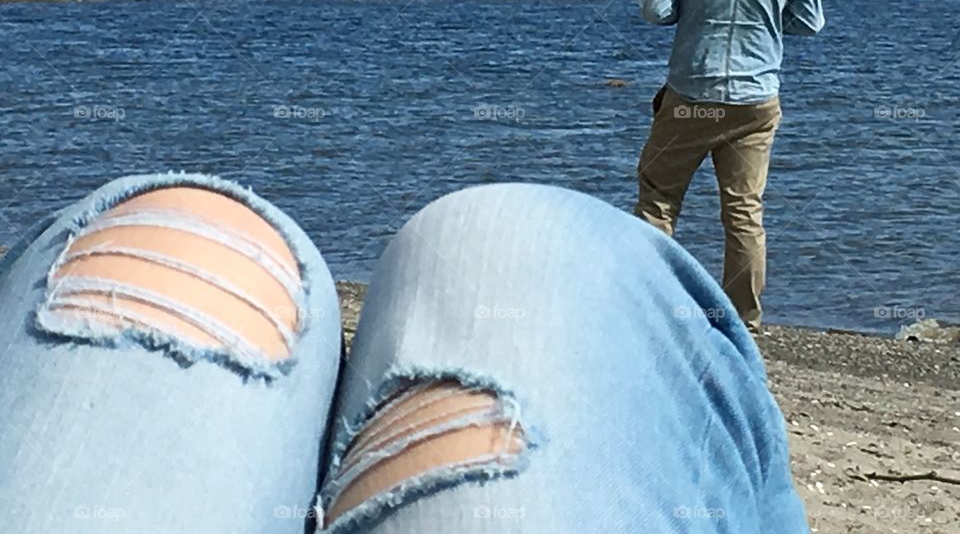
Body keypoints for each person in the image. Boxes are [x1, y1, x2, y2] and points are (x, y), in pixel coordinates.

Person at [0, 174, 809, 533]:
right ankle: (731, 303)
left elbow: (658, 3)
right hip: (755, 93)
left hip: (697, 91)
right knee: (507, 238)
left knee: (180, 234)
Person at [635, 0, 825, 333]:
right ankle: (745, 319)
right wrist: (762, 20)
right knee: (744, 211)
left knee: (658, 201)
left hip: (693, 91)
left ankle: (652, 308)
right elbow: (810, 21)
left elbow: (656, 10)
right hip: (757, 95)